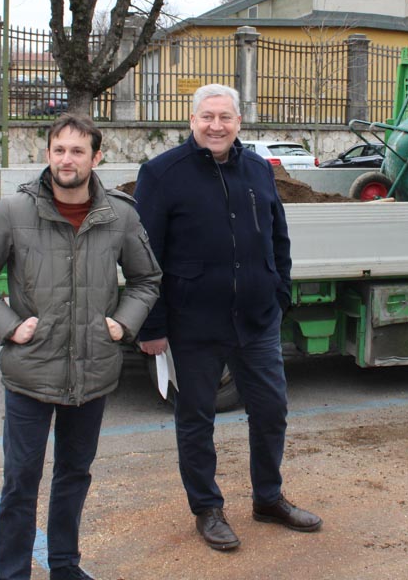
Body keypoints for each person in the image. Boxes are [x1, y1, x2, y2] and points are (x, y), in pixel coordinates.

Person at [0, 115, 161, 580]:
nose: (67, 159)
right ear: (48, 154)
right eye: (59, 150)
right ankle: (13, 574)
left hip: (92, 372)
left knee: (73, 476)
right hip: (30, 372)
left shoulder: (120, 215)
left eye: (78, 151)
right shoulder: (13, 212)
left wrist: (122, 325)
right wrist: (8, 327)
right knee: (21, 482)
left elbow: (147, 280)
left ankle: (65, 565)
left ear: (96, 157)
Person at [134, 84, 321, 551]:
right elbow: (143, 255)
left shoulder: (258, 168)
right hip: (192, 324)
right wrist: (152, 325)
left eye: (225, 117)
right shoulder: (161, 174)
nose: (216, 126)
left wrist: (278, 292)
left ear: (240, 122)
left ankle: (268, 498)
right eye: (207, 117)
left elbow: (278, 236)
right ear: (192, 120)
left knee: (271, 410)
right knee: (196, 419)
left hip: (256, 320)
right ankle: (208, 509)